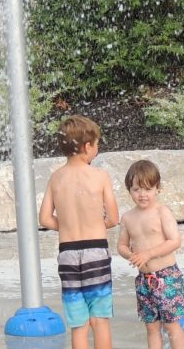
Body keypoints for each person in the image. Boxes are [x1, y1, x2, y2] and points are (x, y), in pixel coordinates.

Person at [39, 114, 121, 349]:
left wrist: (65, 225)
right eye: (97, 145)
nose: (97, 149)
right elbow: (113, 218)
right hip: (95, 250)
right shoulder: (99, 176)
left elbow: (44, 218)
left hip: (67, 254)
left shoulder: (56, 178)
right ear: (87, 147)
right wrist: (95, 224)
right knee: (99, 319)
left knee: (79, 322)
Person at [117, 159, 184, 349]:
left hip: (167, 278)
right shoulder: (127, 218)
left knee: (172, 325)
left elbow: (174, 241)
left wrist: (148, 253)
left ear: (158, 188)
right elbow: (122, 246)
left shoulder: (161, 212)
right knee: (151, 327)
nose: (142, 195)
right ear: (129, 190)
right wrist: (130, 255)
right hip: (144, 280)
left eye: (147, 189)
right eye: (136, 189)